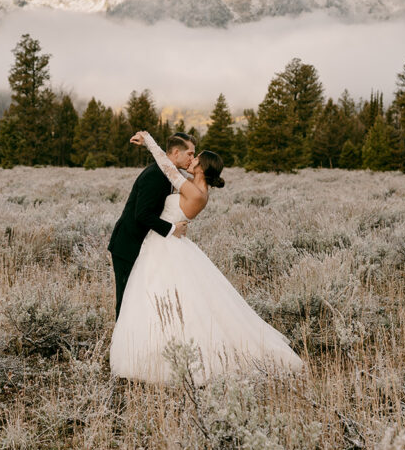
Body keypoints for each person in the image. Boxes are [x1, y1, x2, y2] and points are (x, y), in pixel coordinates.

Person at [110, 131, 304, 383]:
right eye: (190, 154)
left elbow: (166, 164)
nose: (191, 160)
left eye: (195, 157)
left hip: (164, 246)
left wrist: (149, 141)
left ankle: (149, 353)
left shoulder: (192, 188)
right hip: (164, 243)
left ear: (201, 167)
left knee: (155, 298)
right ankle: (145, 346)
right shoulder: (198, 189)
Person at [108, 133, 195, 319]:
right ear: (177, 153)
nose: (192, 159)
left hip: (148, 247)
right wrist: (173, 229)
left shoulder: (169, 173)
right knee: (126, 300)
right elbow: (142, 214)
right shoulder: (156, 175)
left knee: (141, 297)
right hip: (128, 245)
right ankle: (123, 344)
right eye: (190, 154)